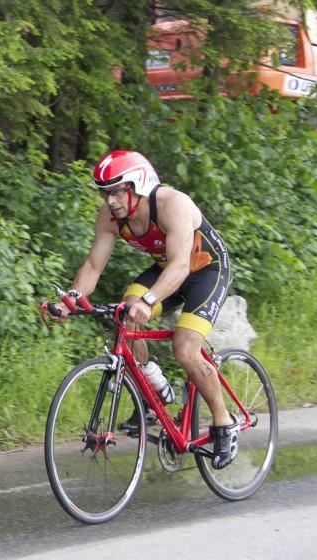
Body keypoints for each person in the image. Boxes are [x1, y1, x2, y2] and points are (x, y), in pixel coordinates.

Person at [49, 150, 239, 469]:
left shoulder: (171, 204)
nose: (109, 201)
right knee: (126, 315)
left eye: (116, 191)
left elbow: (180, 265)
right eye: (104, 192)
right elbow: (93, 267)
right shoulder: (111, 217)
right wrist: (68, 300)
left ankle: (224, 423)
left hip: (206, 270)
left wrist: (149, 301)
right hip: (167, 270)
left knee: (185, 348)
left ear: (136, 186)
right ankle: (156, 388)